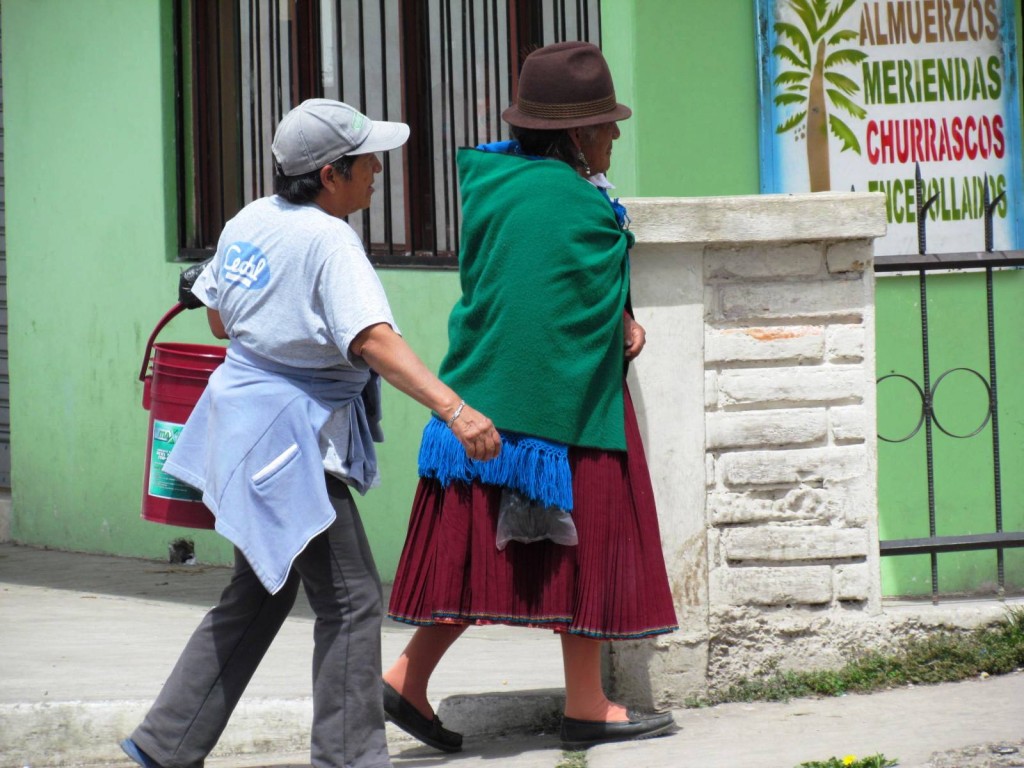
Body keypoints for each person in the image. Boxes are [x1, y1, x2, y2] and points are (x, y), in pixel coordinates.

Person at [119, 98, 501, 768]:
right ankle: (349, 759)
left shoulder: (250, 220)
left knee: (261, 591)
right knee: (353, 601)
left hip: (239, 428)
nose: (377, 171)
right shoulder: (329, 240)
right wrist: (455, 409)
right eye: (366, 161)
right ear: (331, 174)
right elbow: (373, 339)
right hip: (288, 443)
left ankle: (166, 744)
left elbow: (219, 322)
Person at [381, 41, 678, 752]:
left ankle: (407, 680)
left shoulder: (498, 183)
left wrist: (619, 313)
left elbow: (540, 287)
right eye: (605, 123)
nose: (615, 133)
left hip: (482, 403)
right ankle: (586, 704)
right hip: (559, 408)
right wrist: (620, 319)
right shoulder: (570, 200)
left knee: (476, 560)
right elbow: (565, 292)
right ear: (575, 134)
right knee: (580, 547)